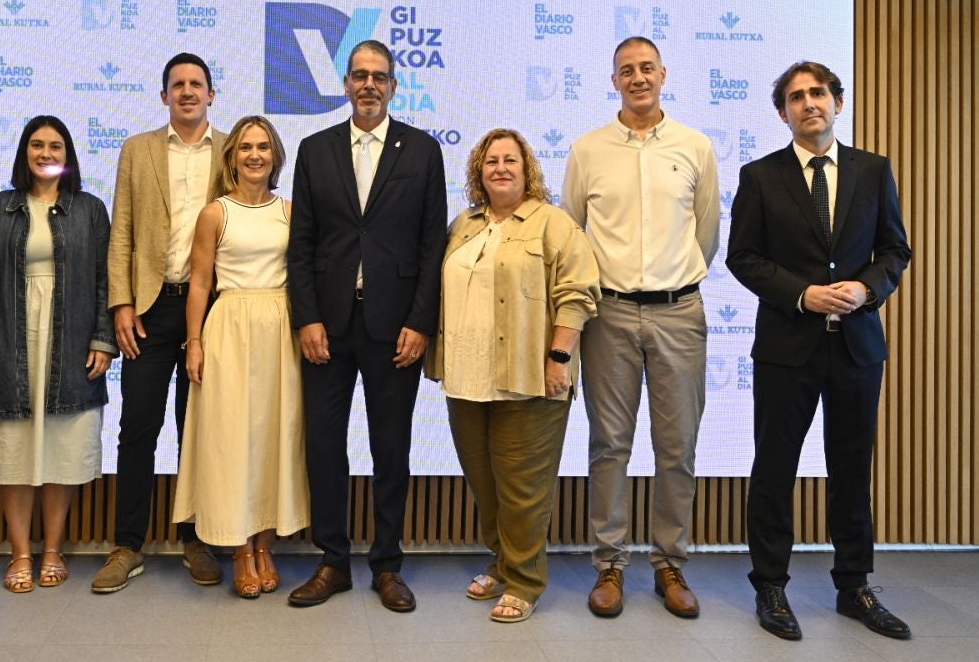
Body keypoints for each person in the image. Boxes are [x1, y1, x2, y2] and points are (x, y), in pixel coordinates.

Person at [727, 61, 912, 641]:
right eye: (797, 97)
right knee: (775, 469)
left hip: (857, 348)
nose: (810, 103)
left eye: (819, 94)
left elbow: (895, 250)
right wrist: (802, 294)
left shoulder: (874, 170)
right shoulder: (759, 176)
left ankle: (853, 586)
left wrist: (867, 288)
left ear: (838, 102)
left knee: (853, 470)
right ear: (782, 111)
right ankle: (771, 587)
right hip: (787, 347)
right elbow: (744, 257)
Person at [285, 38, 446, 613]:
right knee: (325, 447)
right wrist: (306, 318)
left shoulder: (423, 151)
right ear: (346, 84)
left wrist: (421, 322)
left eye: (380, 76)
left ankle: (387, 564)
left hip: (394, 327)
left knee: (391, 449)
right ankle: (332, 561)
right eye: (359, 76)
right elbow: (300, 245)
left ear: (394, 86)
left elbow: (433, 246)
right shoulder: (315, 149)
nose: (369, 85)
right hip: (327, 326)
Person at [561, 36, 720, 618]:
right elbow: (573, 235)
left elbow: (706, 233)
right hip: (609, 315)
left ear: (663, 73)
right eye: (626, 70)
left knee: (677, 449)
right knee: (609, 446)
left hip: (680, 312)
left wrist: (672, 282)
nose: (637, 78)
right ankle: (609, 564)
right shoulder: (587, 150)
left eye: (646, 67)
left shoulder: (695, 147)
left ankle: (670, 562)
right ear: (613, 80)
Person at [426, 128, 600, 623]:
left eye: (510, 160)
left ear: (528, 171)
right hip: (466, 377)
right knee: (485, 484)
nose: (500, 168)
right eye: (490, 161)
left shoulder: (554, 224)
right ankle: (503, 564)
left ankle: (525, 581)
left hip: (530, 379)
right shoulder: (464, 223)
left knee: (523, 487)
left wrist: (559, 360)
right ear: (478, 172)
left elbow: (578, 294)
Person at [0, 115, 117, 593]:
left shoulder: (90, 210)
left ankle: (52, 549)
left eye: (55, 146)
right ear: (24, 153)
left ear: (68, 155)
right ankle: (21, 553)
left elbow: (104, 278)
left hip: (71, 340)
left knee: (62, 447)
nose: (45, 153)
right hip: (11, 337)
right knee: (14, 448)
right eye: (36, 145)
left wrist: (102, 340)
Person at [94, 52, 228, 593]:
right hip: (149, 309)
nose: (188, 92)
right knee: (137, 429)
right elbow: (122, 229)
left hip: (212, 309)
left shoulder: (230, 152)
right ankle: (128, 544)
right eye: (178, 84)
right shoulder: (138, 150)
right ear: (164, 95)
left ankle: (196, 539)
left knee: (197, 430)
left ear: (212, 95)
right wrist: (121, 304)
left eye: (197, 84)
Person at [172, 115, 309, 598]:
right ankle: (239, 548)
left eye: (263, 147)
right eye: (246, 147)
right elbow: (201, 283)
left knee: (273, 435)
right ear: (232, 158)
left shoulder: (291, 212)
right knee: (233, 440)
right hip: (228, 327)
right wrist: (194, 342)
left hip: (278, 328)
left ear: (275, 157)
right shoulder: (216, 213)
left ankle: (265, 543)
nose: (255, 154)